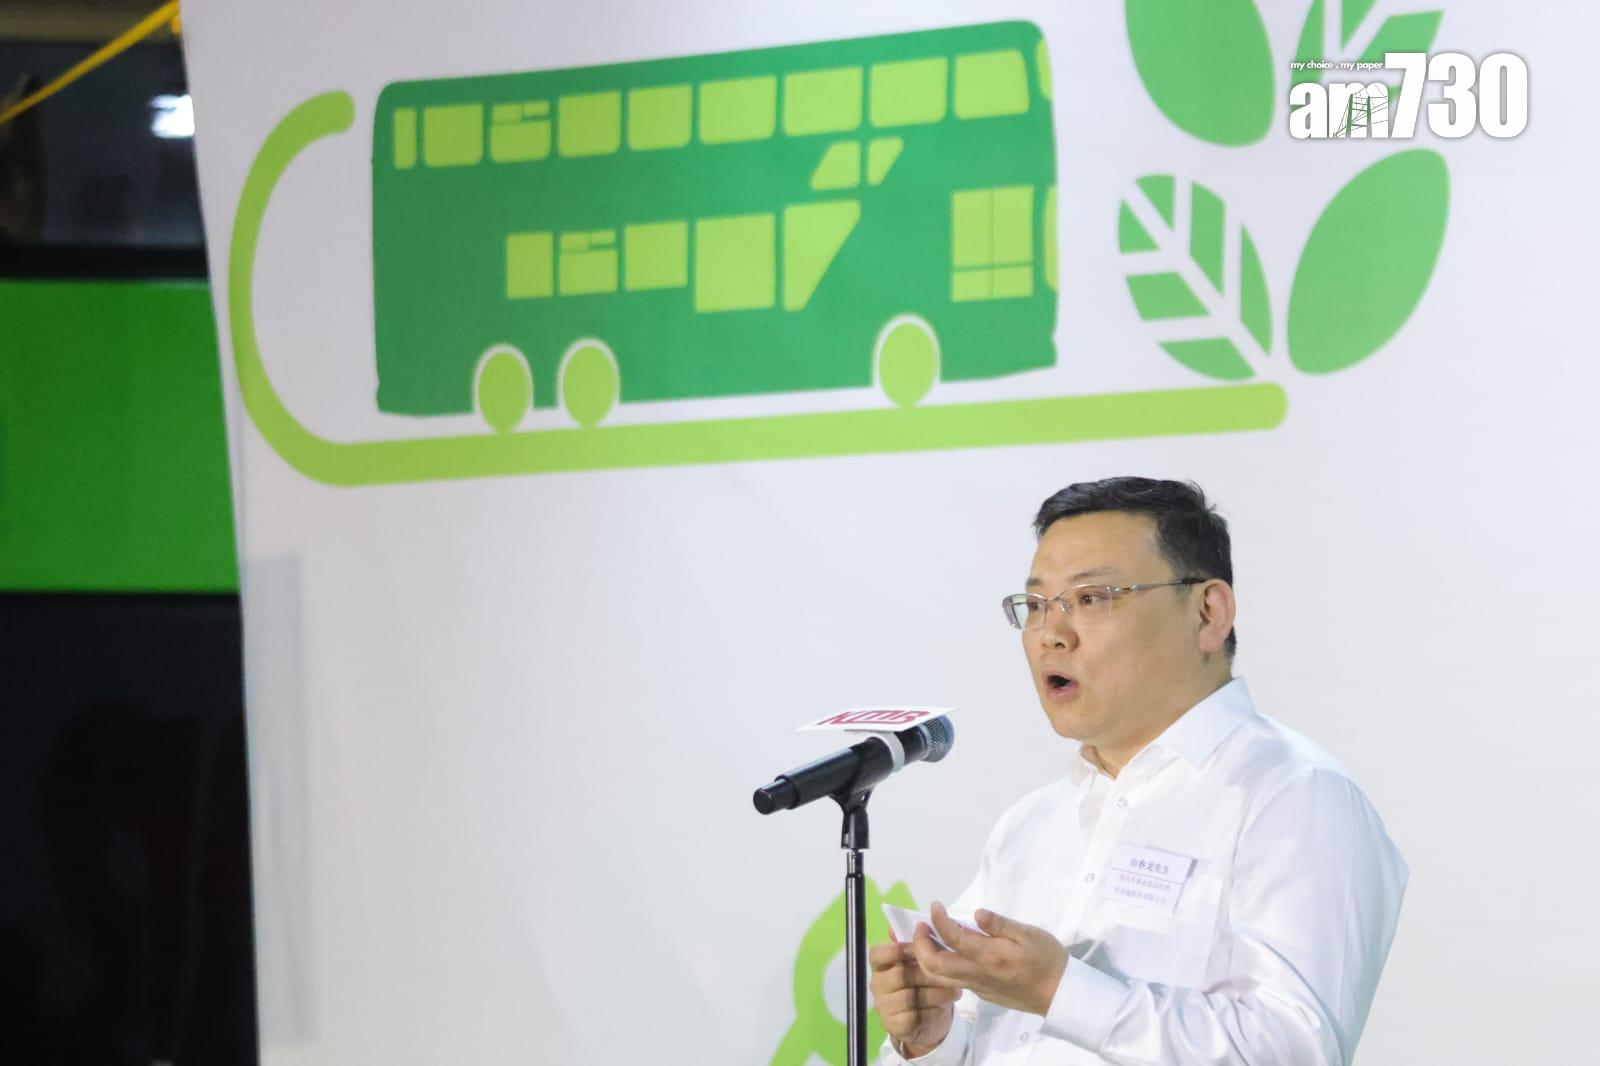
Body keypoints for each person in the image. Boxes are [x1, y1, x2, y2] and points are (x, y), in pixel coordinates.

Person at [869, 477, 1407, 1065]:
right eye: (1037, 605)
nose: (1051, 635)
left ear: (1209, 613)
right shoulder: (1031, 823)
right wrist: (933, 1040)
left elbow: (1294, 1050)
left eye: (1091, 598)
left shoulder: (1297, 797)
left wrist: (1058, 990)